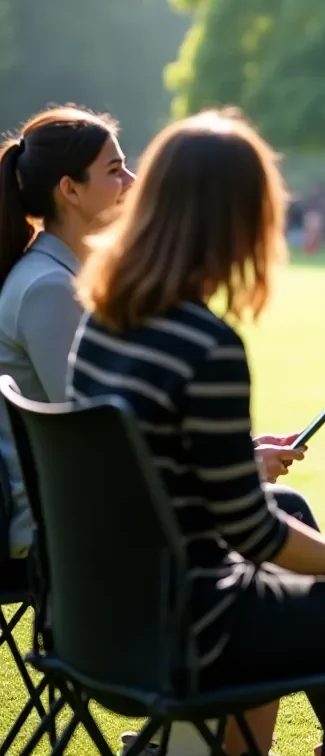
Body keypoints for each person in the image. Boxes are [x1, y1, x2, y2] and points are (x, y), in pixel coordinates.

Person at [71, 110, 325, 756]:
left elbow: (157, 480)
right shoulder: (206, 345)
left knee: (292, 506)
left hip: (98, 627)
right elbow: (252, 533)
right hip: (193, 635)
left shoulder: (101, 324)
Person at [0, 107, 134, 592]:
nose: (131, 181)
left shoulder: (57, 277)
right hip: (57, 528)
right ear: (70, 189)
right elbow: (95, 439)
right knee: (277, 509)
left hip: (77, 510)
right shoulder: (49, 289)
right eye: (115, 171)